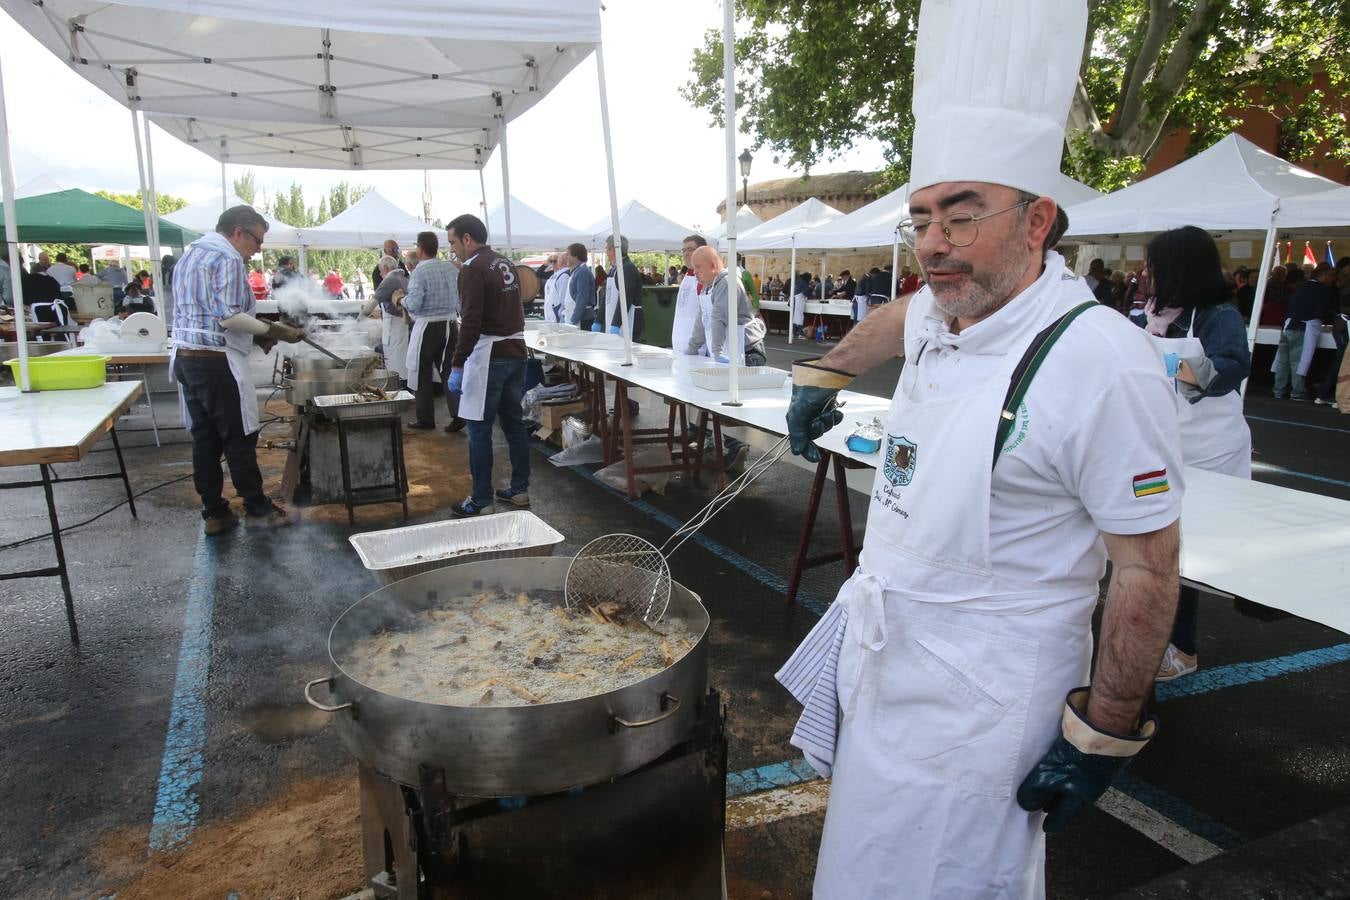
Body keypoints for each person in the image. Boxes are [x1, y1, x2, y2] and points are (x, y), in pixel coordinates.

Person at [777, 1, 1183, 895]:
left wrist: (1105, 727)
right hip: (889, 664)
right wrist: (823, 372)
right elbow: (895, 317)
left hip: (987, 704)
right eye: (920, 219)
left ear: (1038, 222)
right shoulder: (942, 304)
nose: (933, 245)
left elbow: (1149, 571)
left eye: (962, 217)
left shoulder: (1100, 362)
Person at [1134, 225, 1252, 681]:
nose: (1147, 273)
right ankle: (1160, 635)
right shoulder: (1156, 311)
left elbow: (1231, 366)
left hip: (1211, 451)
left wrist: (1171, 365)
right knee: (1158, 544)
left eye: (1154, 264)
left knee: (1186, 553)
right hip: (1168, 443)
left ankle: (1183, 649)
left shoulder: (1218, 315)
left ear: (1180, 268)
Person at [171, 205, 302, 534]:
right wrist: (273, 331)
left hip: (187, 358)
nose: (257, 249)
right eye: (257, 240)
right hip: (216, 361)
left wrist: (257, 335)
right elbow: (228, 317)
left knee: (205, 438)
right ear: (238, 232)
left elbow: (206, 313)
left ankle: (214, 511)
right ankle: (257, 508)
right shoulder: (227, 257)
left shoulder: (190, 256)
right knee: (239, 436)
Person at [444, 214, 530, 517]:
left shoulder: (472, 269)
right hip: (516, 353)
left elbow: (470, 321)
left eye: (454, 241)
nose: (453, 248)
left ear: (468, 239)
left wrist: (457, 364)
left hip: (488, 356)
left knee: (479, 430)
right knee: (513, 424)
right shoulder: (503, 262)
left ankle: (481, 499)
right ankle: (519, 489)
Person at [401, 231, 461, 431]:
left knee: (422, 372)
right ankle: (458, 413)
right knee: (448, 371)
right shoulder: (450, 268)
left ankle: (426, 419)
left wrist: (401, 300)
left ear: (420, 248)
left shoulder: (420, 271)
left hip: (428, 326)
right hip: (451, 324)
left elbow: (415, 304)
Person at [685, 245, 767, 367]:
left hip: (747, 351)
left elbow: (719, 318)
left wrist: (717, 352)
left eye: (698, 267)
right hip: (731, 349)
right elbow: (702, 320)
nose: (695, 271)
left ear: (712, 266)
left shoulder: (727, 283)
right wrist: (691, 348)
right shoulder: (707, 286)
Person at [1273, 262, 1336, 401]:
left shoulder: (1302, 287)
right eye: (1331, 277)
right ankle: (1297, 391)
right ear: (1325, 276)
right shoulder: (1320, 290)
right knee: (1298, 361)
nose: (1332, 280)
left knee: (1283, 361)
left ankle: (1279, 390)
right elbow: (1320, 311)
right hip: (1303, 328)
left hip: (1288, 326)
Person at [362, 254, 410, 386]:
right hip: (401, 327)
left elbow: (373, 302)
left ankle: (399, 389)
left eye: (380, 270)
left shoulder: (390, 280)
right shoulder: (404, 278)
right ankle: (403, 387)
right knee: (402, 360)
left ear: (386, 268)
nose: (380, 273)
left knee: (396, 362)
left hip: (395, 327)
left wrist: (361, 317)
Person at [1314, 257, 1350, 407]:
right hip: (1344, 325)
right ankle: (1333, 394)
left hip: (1340, 323)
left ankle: (1328, 393)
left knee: (1341, 361)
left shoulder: (1338, 284)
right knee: (1342, 361)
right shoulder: (1345, 286)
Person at [595, 235, 643, 340]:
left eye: (606, 249)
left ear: (613, 249)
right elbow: (607, 296)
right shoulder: (614, 269)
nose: (606, 252)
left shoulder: (627, 268)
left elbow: (626, 297)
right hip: (612, 319)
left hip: (628, 323)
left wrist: (616, 323)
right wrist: (598, 320)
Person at [672, 234, 708, 355]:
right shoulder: (687, 275)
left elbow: (706, 314)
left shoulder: (704, 278)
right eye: (684, 250)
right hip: (678, 341)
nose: (686, 254)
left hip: (696, 348)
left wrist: (695, 345)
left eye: (690, 250)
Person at [566, 243, 597, 331]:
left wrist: (574, 320)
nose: (566, 257)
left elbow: (582, 297)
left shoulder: (583, 272)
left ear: (575, 256)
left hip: (583, 318)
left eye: (568, 254)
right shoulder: (577, 271)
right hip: (579, 316)